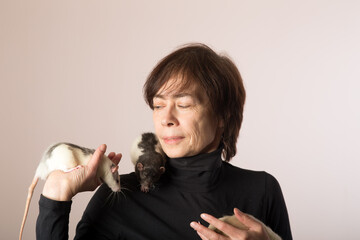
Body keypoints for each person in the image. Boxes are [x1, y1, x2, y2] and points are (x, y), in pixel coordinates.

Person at [36, 43, 292, 240]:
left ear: (222, 116)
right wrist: (55, 197)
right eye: (158, 105)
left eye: (183, 104)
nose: (166, 118)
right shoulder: (120, 197)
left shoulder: (262, 190)